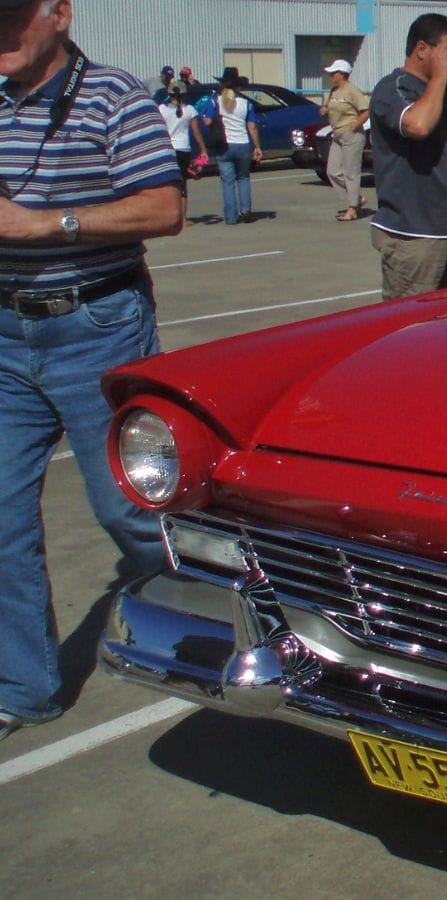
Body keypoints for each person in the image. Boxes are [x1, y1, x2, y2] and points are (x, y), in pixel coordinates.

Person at [0, 0, 182, 741]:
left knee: (127, 507)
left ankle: (208, 611)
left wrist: (47, 224)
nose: (1, 35)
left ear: (59, 15)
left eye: (12, 17)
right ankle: (24, 687)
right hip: (6, 334)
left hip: (95, 327)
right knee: (1, 518)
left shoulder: (114, 96)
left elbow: (164, 208)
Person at [368, 13, 447, 300]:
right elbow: (418, 126)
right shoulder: (394, 88)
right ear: (422, 49)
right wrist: (438, 77)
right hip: (414, 235)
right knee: (412, 319)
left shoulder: (446, 94)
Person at [194, 66, 261, 224]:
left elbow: (207, 121)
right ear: (238, 87)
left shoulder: (215, 101)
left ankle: (231, 216)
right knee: (243, 177)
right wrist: (257, 146)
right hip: (243, 144)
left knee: (228, 181)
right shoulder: (246, 103)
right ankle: (246, 210)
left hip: (224, 145)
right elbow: (252, 127)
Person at [319, 58, 369, 222]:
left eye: (334, 73)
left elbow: (365, 111)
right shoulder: (334, 91)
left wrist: (354, 126)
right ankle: (356, 198)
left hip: (352, 135)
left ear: (343, 74)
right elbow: (329, 108)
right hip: (337, 135)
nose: (331, 75)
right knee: (332, 171)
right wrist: (325, 110)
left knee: (351, 173)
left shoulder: (352, 90)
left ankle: (352, 208)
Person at [157, 77, 201, 175]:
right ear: (184, 94)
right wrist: (203, 149)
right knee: (183, 177)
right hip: (184, 148)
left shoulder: (161, 109)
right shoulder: (190, 109)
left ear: (169, 94)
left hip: (168, 149)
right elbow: (196, 133)